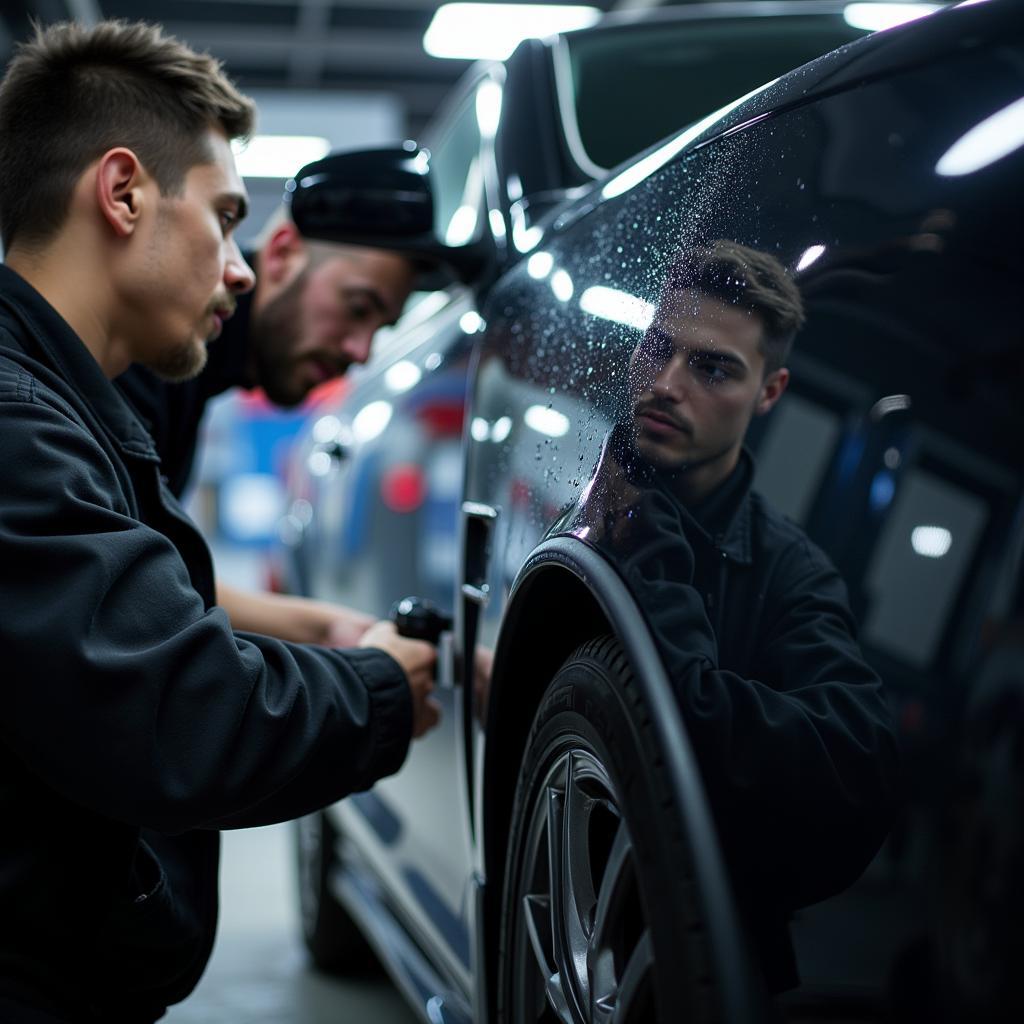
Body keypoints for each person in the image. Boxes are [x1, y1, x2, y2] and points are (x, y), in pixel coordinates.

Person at [0, 19, 439, 1023]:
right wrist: (374, 687)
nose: (239, 273)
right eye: (227, 216)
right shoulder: (23, 426)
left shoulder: (61, 404)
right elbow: (176, 714)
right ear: (121, 194)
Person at [567, 240, 900, 993]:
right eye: (658, 349)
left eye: (712, 368)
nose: (664, 384)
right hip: (564, 912)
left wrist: (657, 566)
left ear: (770, 391)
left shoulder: (792, 572)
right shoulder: (580, 509)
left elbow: (855, 769)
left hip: (702, 957)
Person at [116, 201, 421, 647]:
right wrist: (368, 685)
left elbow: (152, 580)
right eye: (357, 308)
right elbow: (132, 606)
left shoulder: (194, 382)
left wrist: (330, 629)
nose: (362, 352)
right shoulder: (146, 367)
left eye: (381, 327)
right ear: (280, 254)